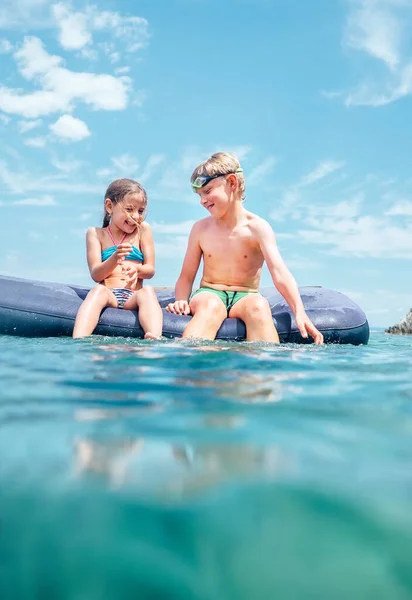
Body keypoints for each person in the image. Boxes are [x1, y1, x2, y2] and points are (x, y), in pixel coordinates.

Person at [166, 152, 323, 344]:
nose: (202, 200)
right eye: (199, 195)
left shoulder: (258, 228)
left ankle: (261, 371)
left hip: (246, 295)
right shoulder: (200, 229)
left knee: (258, 307)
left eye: (207, 191)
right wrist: (181, 299)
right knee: (211, 307)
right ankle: (194, 368)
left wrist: (300, 312)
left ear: (232, 183)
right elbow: (186, 276)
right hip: (210, 291)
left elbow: (280, 273)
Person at [73, 178, 162, 339]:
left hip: (133, 296)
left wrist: (137, 269)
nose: (136, 216)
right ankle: (79, 337)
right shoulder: (96, 234)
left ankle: (154, 336)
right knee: (98, 290)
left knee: (147, 291)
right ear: (109, 206)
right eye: (129, 209)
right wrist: (114, 258)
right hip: (110, 294)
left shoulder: (143, 230)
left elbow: (150, 270)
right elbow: (96, 275)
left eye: (140, 211)